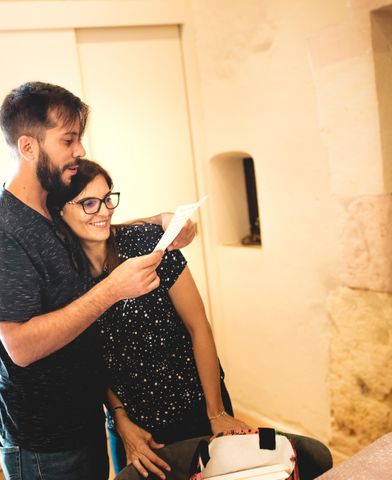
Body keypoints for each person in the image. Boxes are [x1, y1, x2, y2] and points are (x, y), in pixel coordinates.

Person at [0, 81, 194, 480]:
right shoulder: (0, 234)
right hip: (43, 442)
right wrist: (111, 290)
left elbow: (86, 225)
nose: (80, 151)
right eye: (68, 140)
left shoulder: (47, 210)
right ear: (28, 147)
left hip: (84, 419)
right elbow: (19, 346)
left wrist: (156, 221)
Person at [50, 159, 250, 479]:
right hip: (134, 425)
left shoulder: (145, 242)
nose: (103, 211)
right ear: (60, 210)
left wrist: (216, 412)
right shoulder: (64, 277)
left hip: (197, 405)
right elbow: (94, 358)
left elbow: (198, 326)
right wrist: (121, 420)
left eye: (107, 198)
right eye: (89, 203)